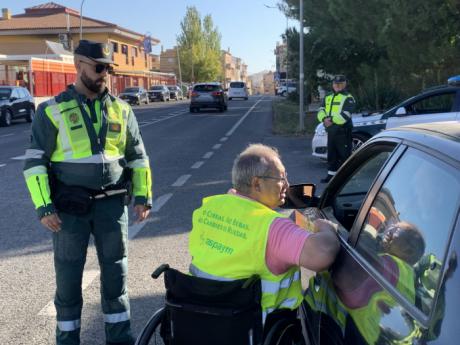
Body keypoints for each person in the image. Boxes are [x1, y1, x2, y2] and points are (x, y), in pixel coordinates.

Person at [23, 40, 152, 345]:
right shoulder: (51, 111)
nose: (104, 73)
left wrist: (143, 196)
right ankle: (67, 341)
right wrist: (44, 207)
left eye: (108, 68)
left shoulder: (122, 109)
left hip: (112, 207)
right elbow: (34, 163)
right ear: (78, 65)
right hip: (70, 210)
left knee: (116, 279)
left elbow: (138, 156)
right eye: (98, 67)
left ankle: (120, 339)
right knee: (68, 283)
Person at [188, 143, 340, 326]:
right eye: (282, 178)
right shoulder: (272, 227)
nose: (287, 185)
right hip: (253, 327)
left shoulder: (209, 209)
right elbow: (323, 253)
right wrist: (326, 227)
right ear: (257, 183)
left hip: (199, 317)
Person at [317, 75, 356, 183]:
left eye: (340, 84)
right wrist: (324, 119)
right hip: (331, 131)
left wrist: (331, 121)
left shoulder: (348, 97)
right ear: (333, 84)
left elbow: (346, 115)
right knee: (332, 155)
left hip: (343, 131)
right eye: (335, 84)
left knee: (345, 156)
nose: (337, 86)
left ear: (344, 84)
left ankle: (346, 179)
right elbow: (321, 110)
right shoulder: (328, 96)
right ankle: (331, 176)